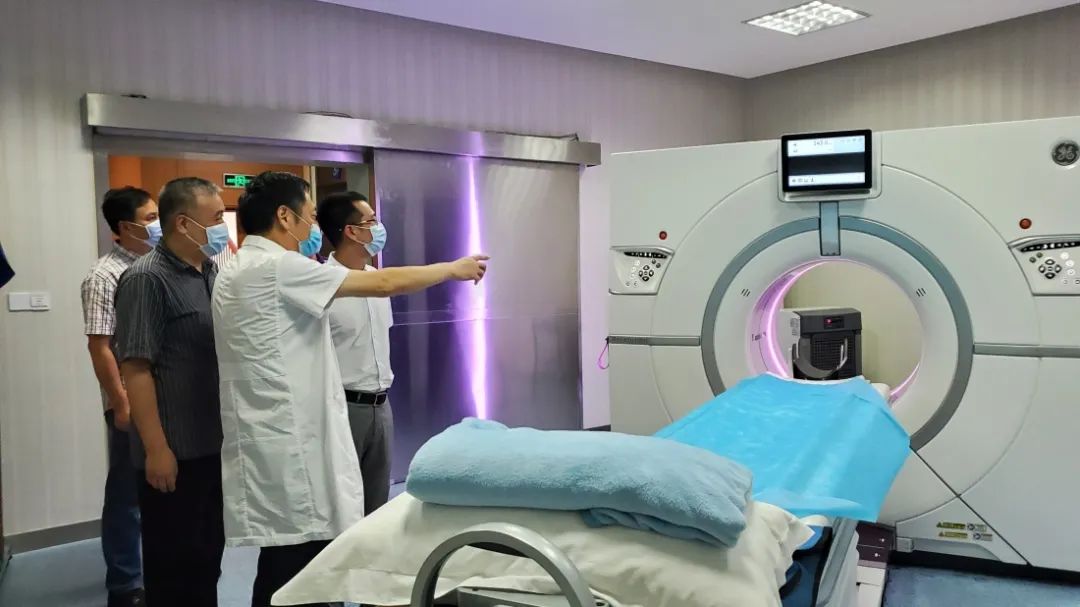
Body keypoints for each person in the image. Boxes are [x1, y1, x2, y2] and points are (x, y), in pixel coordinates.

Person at [212, 171, 488, 607]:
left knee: (294, 555)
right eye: (307, 217)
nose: (311, 227)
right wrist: (452, 269)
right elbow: (385, 284)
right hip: (294, 439)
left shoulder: (239, 268)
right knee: (297, 562)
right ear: (284, 216)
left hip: (284, 433)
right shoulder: (280, 267)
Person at [113, 177, 228, 607]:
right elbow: (136, 368)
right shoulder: (147, 279)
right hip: (174, 454)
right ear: (183, 223)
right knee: (174, 571)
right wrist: (156, 449)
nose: (222, 227)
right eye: (216, 218)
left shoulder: (209, 271)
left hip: (212, 446)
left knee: (206, 562)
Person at [80, 186, 158, 607]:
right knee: (128, 496)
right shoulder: (105, 275)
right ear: (125, 227)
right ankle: (126, 584)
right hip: (131, 401)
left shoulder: (158, 266)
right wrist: (121, 403)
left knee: (162, 489)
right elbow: (100, 347)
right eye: (151, 219)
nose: (159, 225)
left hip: (166, 397)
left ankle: (159, 571)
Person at [316, 192, 396, 515]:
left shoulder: (379, 281)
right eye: (371, 221)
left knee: (377, 505)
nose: (379, 227)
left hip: (382, 405)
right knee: (342, 506)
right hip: (344, 408)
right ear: (351, 231)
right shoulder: (322, 285)